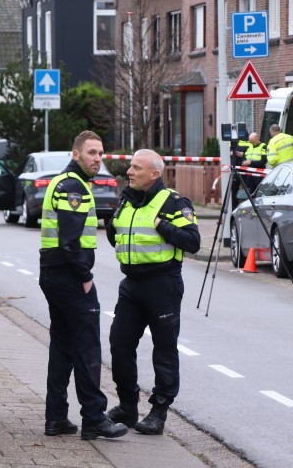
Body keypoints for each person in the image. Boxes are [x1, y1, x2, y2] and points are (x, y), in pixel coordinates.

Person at [39, 130, 128, 441]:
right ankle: (93, 418)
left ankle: (56, 418)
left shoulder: (63, 183)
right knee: (87, 348)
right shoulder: (73, 187)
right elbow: (69, 239)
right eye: (91, 153)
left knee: (62, 348)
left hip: (55, 275)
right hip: (69, 277)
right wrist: (85, 276)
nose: (97, 159)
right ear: (75, 154)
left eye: (100, 153)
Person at [105, 149, 200, 436]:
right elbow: (115, 233)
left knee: (164, 349)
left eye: (136, 168)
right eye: (130, 167)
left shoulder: (173, 202)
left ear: (154, 174)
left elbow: (193, 242)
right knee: (119, 344)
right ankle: (127, 406)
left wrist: (163, 226)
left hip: (163, 284)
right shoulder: (127, 200)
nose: (129, 172)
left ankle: (159, 411)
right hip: (131, 285)